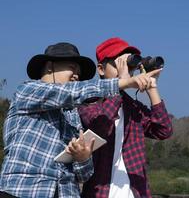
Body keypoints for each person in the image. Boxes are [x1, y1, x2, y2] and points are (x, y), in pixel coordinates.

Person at [0, 42, 160, 198]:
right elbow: (72, 92)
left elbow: (84, 175)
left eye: (79, 71)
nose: (77, 75)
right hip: (23, 189)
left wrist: (83, 157)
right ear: (49, 66)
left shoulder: (74, 114)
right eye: (72, 67)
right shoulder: (27, 91)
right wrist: (124, 81)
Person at [79, 37, 173, 198]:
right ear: (101, 69)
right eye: (118, 64)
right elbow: (99, 127)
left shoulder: (133, 108)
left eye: (129, 65)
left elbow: (163, 131)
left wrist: (152, 88)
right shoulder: (88, 100)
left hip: (136, 192)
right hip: (100, 192)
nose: (126, 70)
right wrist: (119, 84)